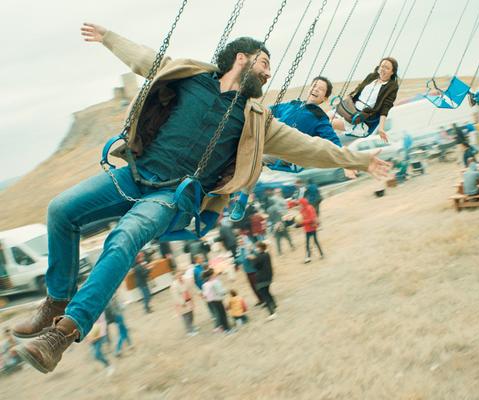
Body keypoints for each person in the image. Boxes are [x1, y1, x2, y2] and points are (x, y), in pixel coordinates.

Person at [13, 22, 389, 374]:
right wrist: (109, 37)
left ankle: (61, 334)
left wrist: (358, 158)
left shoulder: (258, 121)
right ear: (240, 59)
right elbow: (146, 59)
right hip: (135, 173)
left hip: (171, 197)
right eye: (264, 64)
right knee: (60, 210)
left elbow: (310, 148)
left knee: (124, 238)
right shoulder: (189, 75)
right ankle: (55, 302)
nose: (268, 73)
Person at [229, 77, 342, 221]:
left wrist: (346, 163)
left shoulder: (320, 118)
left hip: (287, 153)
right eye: (314, 85)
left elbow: (335, 143)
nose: (315, 89)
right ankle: (232, 184)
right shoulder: (293, 104)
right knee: (240, 148)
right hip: (269, 142)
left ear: (324, 98)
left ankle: (242, 199)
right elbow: (270, 110)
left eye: (320, 89)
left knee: (256, 157)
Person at [331, 57, 399, 140]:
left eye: (387, 68)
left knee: (330, 123)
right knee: (324, 116)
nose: (383, 69)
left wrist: (381, 128)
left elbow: (385, 108)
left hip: (361, 119)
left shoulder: (391, 86)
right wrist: (348, 97)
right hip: (350, 109)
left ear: (392, 72)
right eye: (382, 66)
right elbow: (358, 89)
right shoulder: (371, 77)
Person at [250, 242, 277, 320]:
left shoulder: (259, 256)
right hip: (268, 276)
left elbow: (255, 266)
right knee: (267, 292)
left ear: (260, 248)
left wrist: (252, 259)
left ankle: (272, 312)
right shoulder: (267, 254)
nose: (256, 249)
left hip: (261, 278)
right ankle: (274, 304)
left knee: (264, 295)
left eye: (257, 247)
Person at [236, 235, 264, 305]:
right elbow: (239, 259)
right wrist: (235, 260)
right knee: (253, 287)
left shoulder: (249, 247)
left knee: (258, 286)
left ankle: (264, 298)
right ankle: (260, 299)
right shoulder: (239, 249)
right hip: (247, 271)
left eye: (241, 241)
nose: (240, 243)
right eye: (239, 242)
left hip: (253, 270)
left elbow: (257, 254)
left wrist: (251, 252)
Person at [201, 268, 231, 333]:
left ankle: (222, 327)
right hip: (217, 300)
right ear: (211, 275)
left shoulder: (206, 283)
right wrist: (227, 290)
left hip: (212, 301)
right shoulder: (215, 282)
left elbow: (205, 294)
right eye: (214, 273)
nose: (215, 274)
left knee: (219, 314)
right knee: (223, 314)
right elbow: (220, 292)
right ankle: (227, 329)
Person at [170, 269, 199, 336]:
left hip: (189, 299)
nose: (180, 276)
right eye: (178, 275)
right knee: (186, 316)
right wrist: (181, 303)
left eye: (181, 275)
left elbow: (192, 287)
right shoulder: (174, 285)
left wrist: (198, 293)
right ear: (175, 276)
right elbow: (175, 296)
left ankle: (192, 326)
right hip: (182, 302)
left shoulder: (186, 280)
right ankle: (189, 331)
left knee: (191, 314)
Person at [297, 198, 323, 263]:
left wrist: (302, 222)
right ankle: (308, 257)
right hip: (307, 229)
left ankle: (321, 254)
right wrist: (298, 224)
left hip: (312, 227)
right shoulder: (301, 210)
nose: (299, 205)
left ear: (303, 203)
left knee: (315, 241)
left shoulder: (309, 208)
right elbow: (301, 219)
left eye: (300, 204)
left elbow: (312, 219)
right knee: (308, 243)